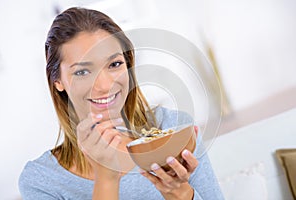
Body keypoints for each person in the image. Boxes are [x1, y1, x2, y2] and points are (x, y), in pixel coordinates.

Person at [18, 7, 224, 200]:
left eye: (114, 64)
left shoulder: (173, 127)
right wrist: (106, 179)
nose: (105, 85)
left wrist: (180, 192)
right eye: (82, 71)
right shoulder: (41, 181)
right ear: (58, 82)